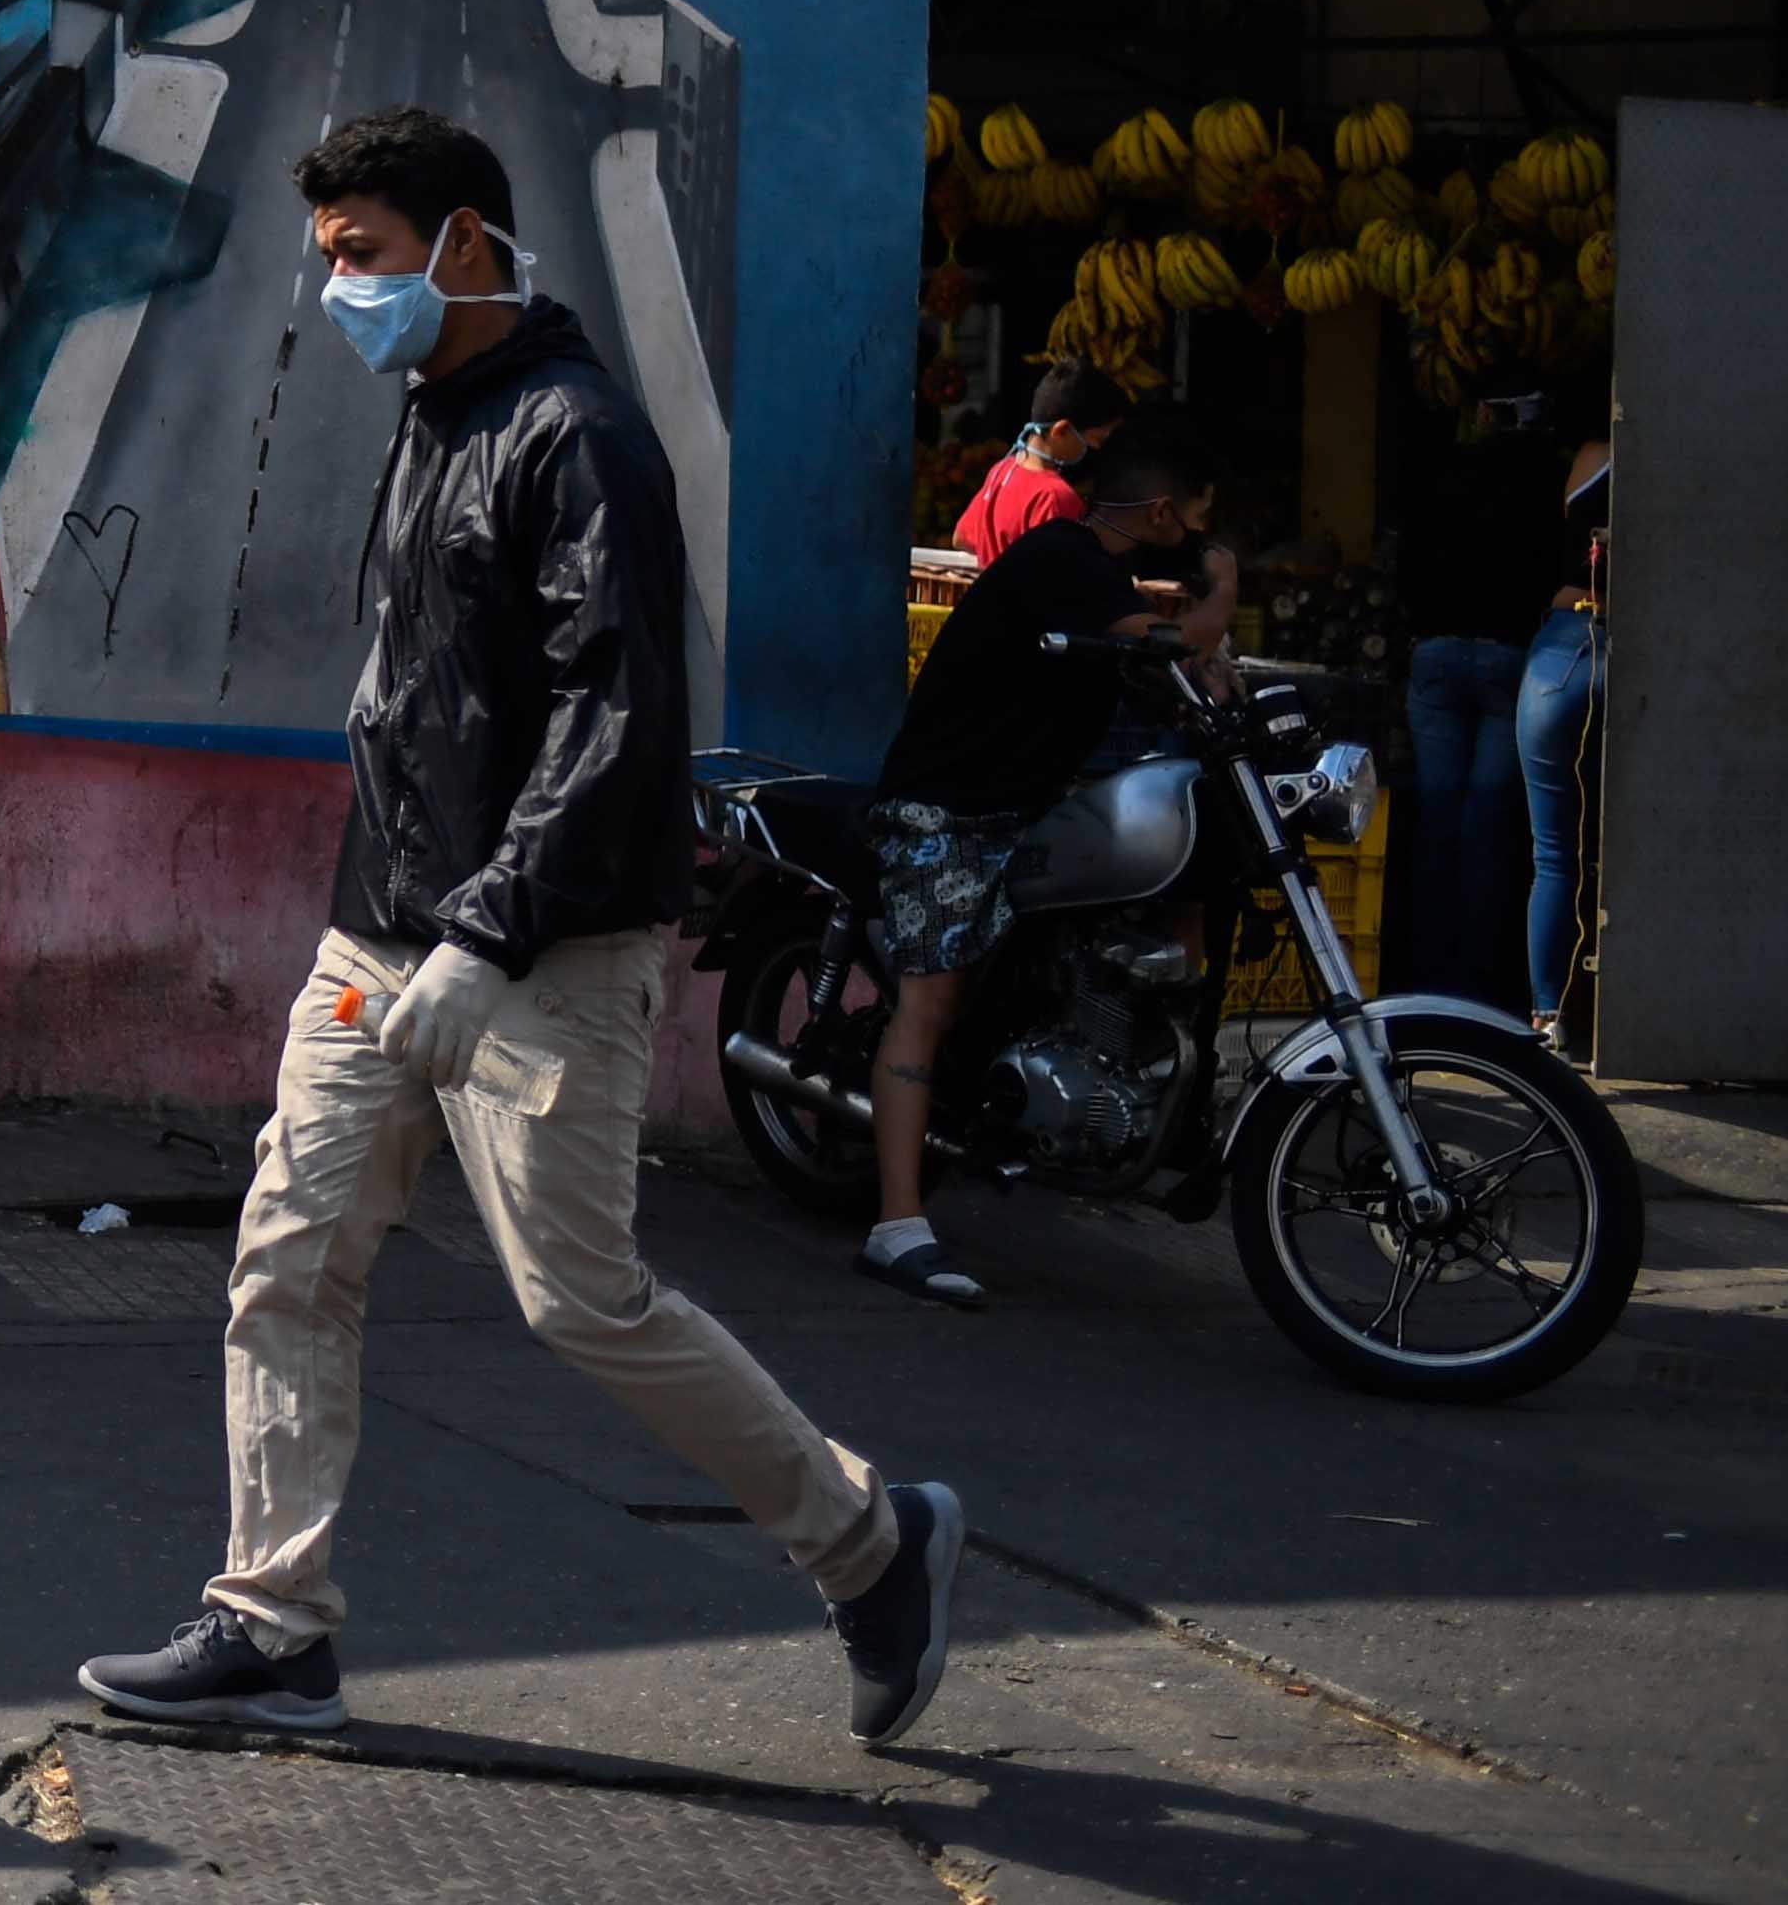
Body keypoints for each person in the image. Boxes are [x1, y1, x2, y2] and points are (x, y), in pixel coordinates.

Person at [77, 108, 965, 1750]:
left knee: (577, 1296)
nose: (334, 284)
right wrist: (399, 933)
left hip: (535, 954)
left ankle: (866, 1536)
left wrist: (480, 936)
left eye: (359, 251)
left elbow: (610, 712)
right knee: (287, 1252)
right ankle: (270, 1622)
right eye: (327, 249)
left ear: (463, 244)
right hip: (381, 941)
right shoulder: (436, 408)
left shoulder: (575, 437)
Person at [852, 415, 1237, 1306]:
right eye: (1196, 525)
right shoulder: (1063, 559)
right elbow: (1167, 643)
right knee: (930, 999)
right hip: (945, 807)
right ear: (1161, 510)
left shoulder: (1097, 578)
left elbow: (1165, 672)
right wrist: (1219, 593)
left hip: (1025, 805)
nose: (1199, 544)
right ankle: (896, 1225)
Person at [1398, 368, 1574, 1015]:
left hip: (1437, 652)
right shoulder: (1543, 483)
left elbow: (1407, 560)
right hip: (1508, 656)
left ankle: (1425, 979)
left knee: (1436, 819)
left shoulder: (1443, 475)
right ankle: (1479, 988)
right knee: (1488, 825)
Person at [1517, 362, 1612, 1045]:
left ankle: (1548, 1015)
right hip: (1627, 653)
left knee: (1554, 856)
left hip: (1558, 652)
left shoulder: (1586, 460)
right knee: (1630, 852)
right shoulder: (1676, 459)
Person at [947, 366, 1129, 563]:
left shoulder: (1001, 471)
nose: (1096, 448)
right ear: (1061, 431)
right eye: (1097, 439)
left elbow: (961, 538)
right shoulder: (1055, 497)